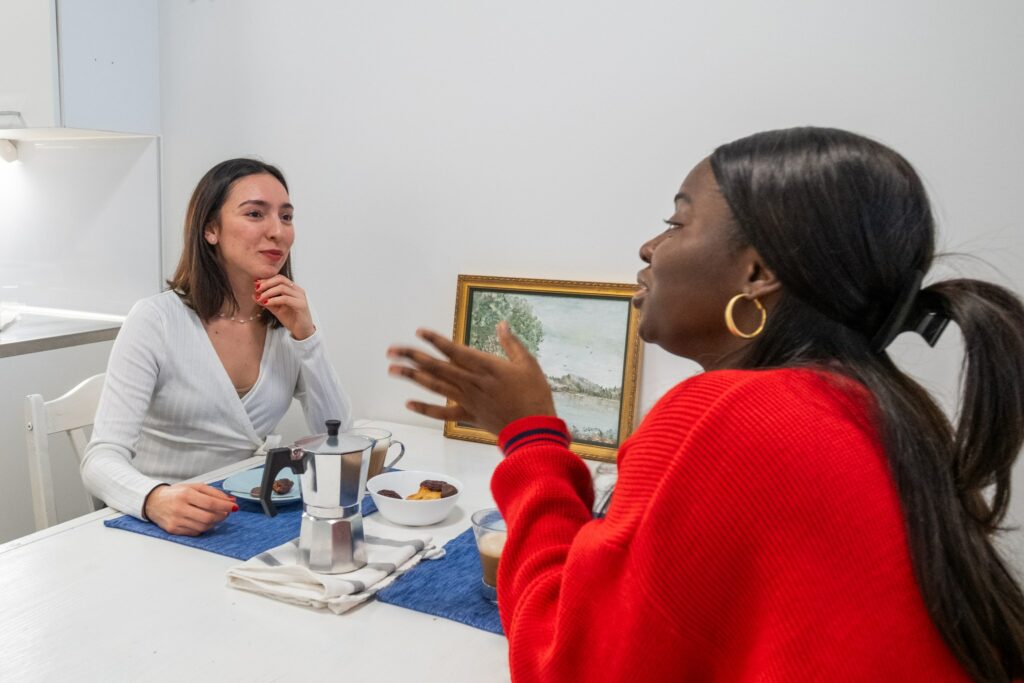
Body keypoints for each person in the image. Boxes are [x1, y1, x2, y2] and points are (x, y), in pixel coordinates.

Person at [387, 127, 1024, 682]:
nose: (648, 248)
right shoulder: (882, 410)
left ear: (756, 274)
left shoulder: (728, 417)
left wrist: (528, 437)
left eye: (675, 222)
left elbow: (563, 663)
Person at [82, 158, 351, 536]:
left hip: (246, 518)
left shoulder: (290, 320)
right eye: (256, 214)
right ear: (210, 229)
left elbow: (337, 437)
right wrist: (154, 498)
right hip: (160, 525)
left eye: (286, 217)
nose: (277, 231)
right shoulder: (155, 320)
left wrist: (307, 338)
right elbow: (100, 459)